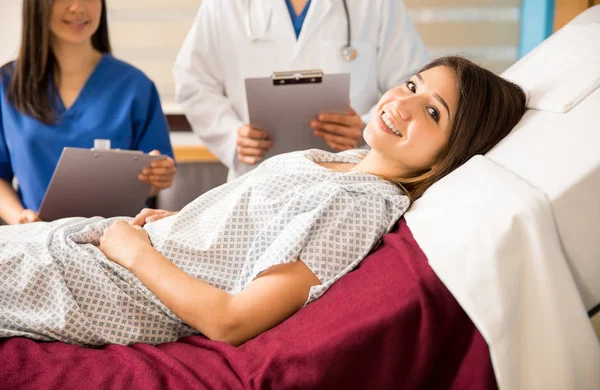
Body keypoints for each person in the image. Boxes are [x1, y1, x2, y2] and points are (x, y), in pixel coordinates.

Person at [0, 56, 527, 347]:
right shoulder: (344, 162)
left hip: (117, 286)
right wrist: (187, 219)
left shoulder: (362, 204)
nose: (402, 103)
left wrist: (136, 252)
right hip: (111, 249)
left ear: (452, 153)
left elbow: (233, 320)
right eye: (412, 84)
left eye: (433, 112)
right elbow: (252, 229)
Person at [173, 0, 429, 180]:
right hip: (258, 178)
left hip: (350, 174)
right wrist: (232, 136)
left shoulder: (377, 4)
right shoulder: (223, 5)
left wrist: (367, 128)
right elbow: (194, 82)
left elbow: (413, 85)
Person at [0, 0, 177, 225]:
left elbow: (153, 178)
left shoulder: (135, 86)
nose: (78, 7)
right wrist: (20, 219)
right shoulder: (7, 84)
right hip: (38, 238)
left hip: (120, 240)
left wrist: (159, 175)